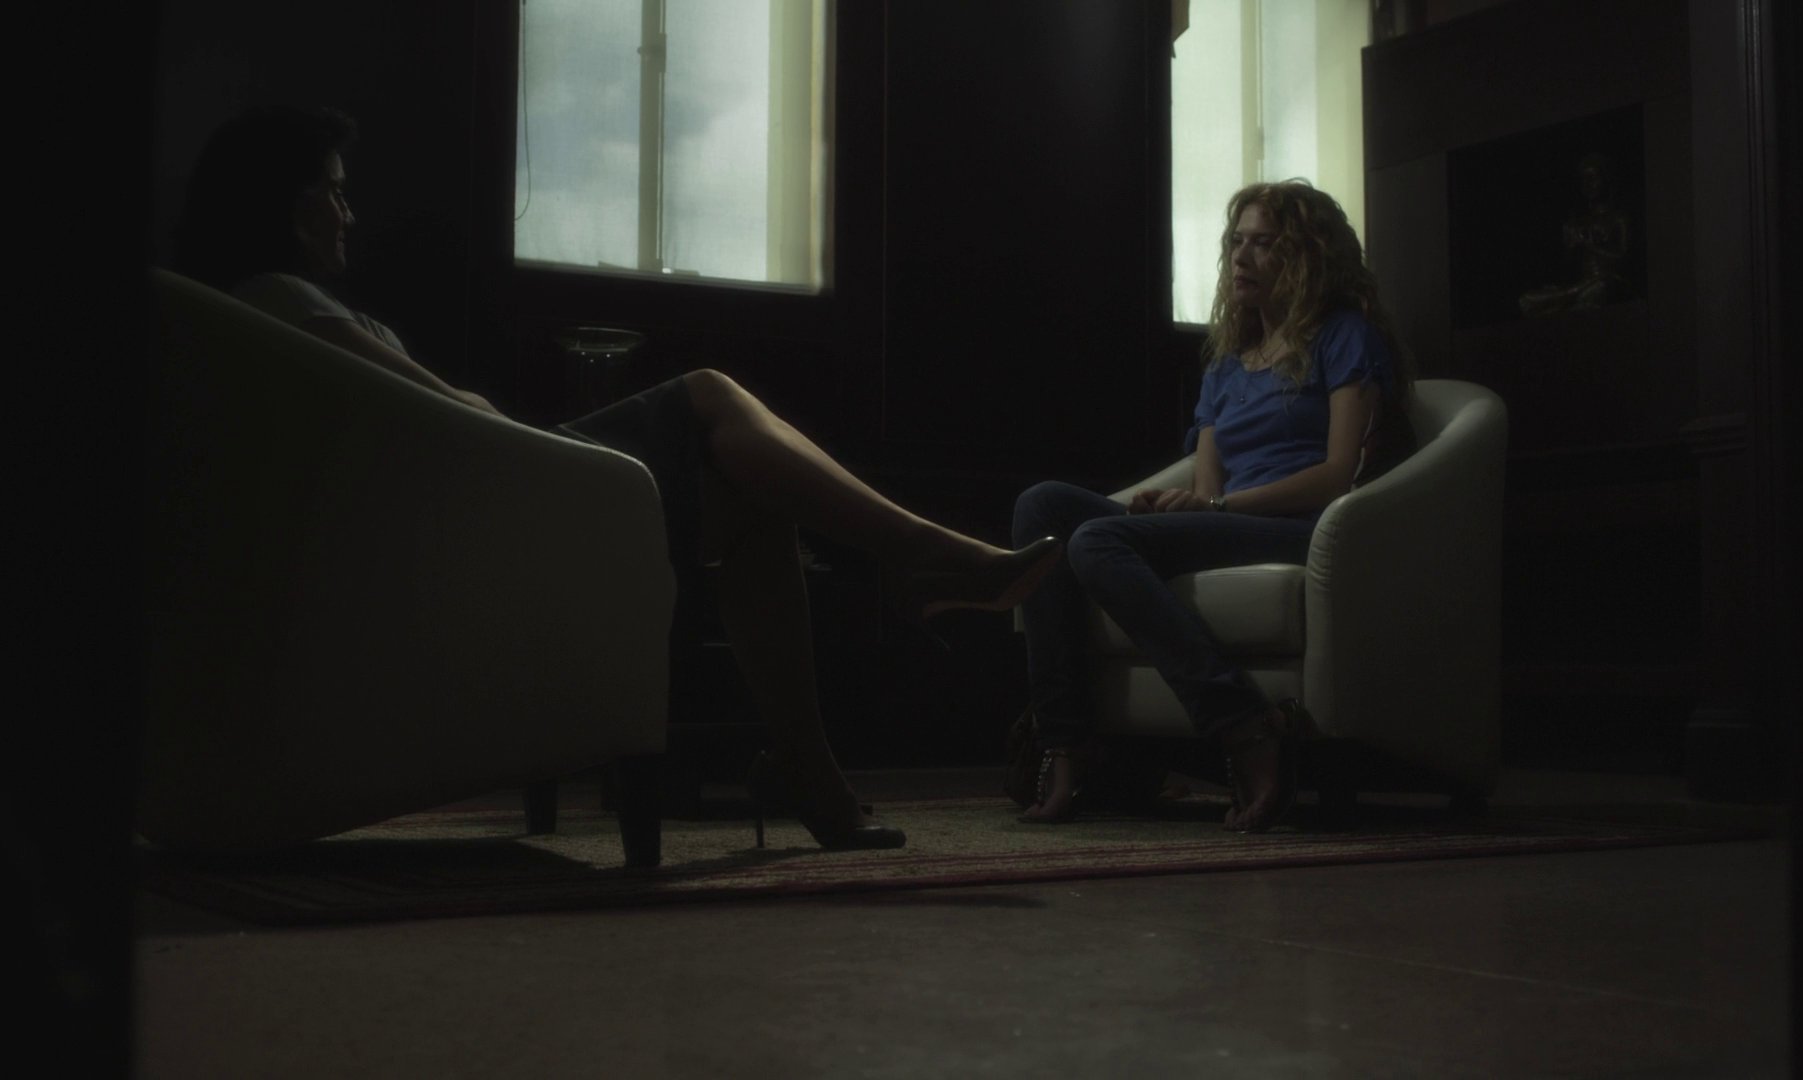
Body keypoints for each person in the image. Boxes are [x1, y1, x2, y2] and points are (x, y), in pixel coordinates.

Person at [171, 105, 1062, 852]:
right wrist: (506, 422)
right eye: (332, 190)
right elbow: (447, 415)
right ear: (284, 204)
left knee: (757, 502)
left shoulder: (268, 315)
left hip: (475, 503)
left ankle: (813, 768)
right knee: (711, 393)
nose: (348, 212)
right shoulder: (279, 302)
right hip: (486, 507)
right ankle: (922, 557)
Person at [1011, 179, 1413, 833]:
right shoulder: (1228, 364)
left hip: (1303, 528)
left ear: (1308, 256)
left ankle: (1242, 723)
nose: (1241, 257)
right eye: (1236, 242)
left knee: (1096, 542)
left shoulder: (1345, 336)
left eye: (1264, 243)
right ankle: (1067, 740)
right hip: (1228, 519)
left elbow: (1339, 474)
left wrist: (1221, 507)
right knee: (1044, 507)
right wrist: (1179, 504)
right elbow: (1204, 487)